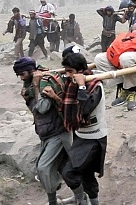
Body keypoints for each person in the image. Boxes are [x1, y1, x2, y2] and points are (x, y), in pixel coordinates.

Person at [44, 51, 107, 205]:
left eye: (70, 71)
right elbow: (69, 109)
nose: (66, 75)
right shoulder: (70, 85)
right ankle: (86, 201)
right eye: (65, 71)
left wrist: (81, 85)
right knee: (85, 173)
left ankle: (85, 201)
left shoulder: (95, 86)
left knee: (70, 171)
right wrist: (55, 97)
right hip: (80, 135)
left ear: (80, 71)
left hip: (94, 138)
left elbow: (85, 108)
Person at [13, 57, 72, 205]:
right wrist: (28, 97)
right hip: (46, 132)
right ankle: (77, 197)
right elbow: (34, 110)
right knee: (62, 167)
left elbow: (43, 108)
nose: (21, 78)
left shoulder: (44, 80)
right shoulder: (30, 84)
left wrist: (37, 86)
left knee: (44, 167)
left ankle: (58, 201)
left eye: (22, 74)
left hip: (58, 132)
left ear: (30, 70)